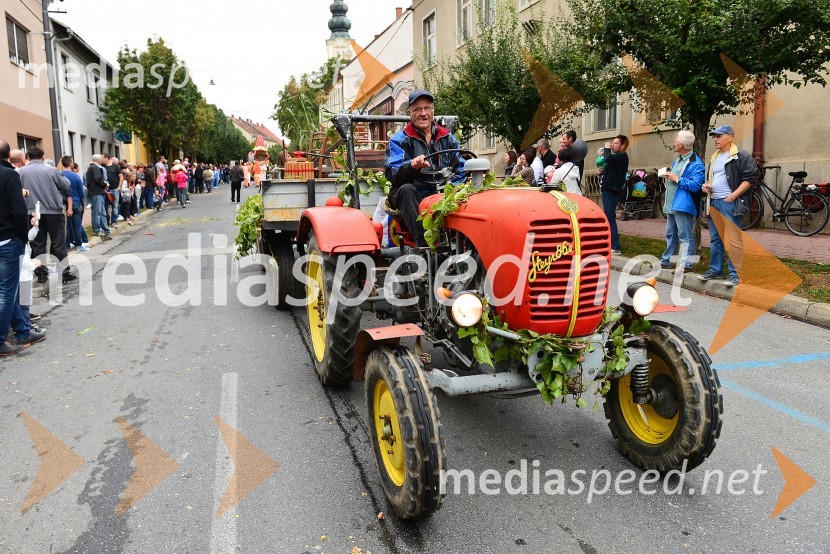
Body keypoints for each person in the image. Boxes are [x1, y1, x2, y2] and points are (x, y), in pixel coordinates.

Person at [384, 89, 466, 247]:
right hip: (413, 193)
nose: (423, 113)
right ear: (410, 113)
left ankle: (463, 243)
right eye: (417, 109)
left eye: (427, 108)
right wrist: (411, 166)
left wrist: (456, 187)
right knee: (407, 189)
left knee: (467, 189)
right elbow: (392, 172)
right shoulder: (399, 140)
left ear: (433, 110)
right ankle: (425, 247)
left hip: (441, 191)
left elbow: (460, 167)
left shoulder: (447, 138)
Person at [697, 125, 756, 287]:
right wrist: (707, 186)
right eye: (714, 136)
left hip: (729, 202)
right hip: (714, 201)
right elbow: (714, 178)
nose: (715, 139)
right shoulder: (715, 156)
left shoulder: (741, 156)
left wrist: (733, 196)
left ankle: (735, 274)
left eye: (719, 136)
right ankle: (715, 270)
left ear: (730, 137)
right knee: (716, 239)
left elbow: (750, 179)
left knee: (733, 239)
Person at [1, 139, 38, 355]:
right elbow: (17, 209)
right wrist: (24, 236)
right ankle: (1, 339)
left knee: (9, 289)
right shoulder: (9, 174)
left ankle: (23, 331)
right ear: (8, 155)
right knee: (7, 292)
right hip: (8, 238)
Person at [18, 146, 76, 283]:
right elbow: (66, 186)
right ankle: (63, 272)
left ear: (28, 157)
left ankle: (41, 273)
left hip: (32, 211)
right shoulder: (51, 170)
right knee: (58, 242)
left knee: (37, 243)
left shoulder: (21, 172)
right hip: (53, 211)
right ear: (42, 157)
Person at [659, 130, 705, 273]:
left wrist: (677, 178)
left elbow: (696, 185)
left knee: (685, 236)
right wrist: (670, 175)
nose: (674, 143)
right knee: (671, 233)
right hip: (672, 203)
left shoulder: (696, 163)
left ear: (682, 145)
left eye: (676, 141)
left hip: (683, 204)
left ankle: (687, 264)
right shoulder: (678, 160)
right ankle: (667, 260)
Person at [600, 135, 629, 255]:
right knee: (608, 216)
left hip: (611, 191)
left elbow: (607, 158)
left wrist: (607, 148)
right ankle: (609, 243)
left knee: (610, 217)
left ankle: (615, 246)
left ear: (622, 146)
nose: (612, 144)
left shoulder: (621, 155)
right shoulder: (616, 157)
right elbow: (611, 168)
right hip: (607, 189)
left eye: (616, 143)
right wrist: (601, 173)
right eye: (612, 142)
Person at [61, 156, 88, 252]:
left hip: (63, 202)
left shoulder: (60, 175)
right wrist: (82, 202)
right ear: (70, 163)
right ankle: (78, 244)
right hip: (75, 201)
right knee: (77, 225)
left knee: (66, 225)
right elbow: (81, 192)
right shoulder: (75, 176)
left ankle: (67, 244)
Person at [86, 155, 112, 240]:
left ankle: (105, 230)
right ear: (99, 160)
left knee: (101, 212)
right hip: (96, 192)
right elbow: (98, 179)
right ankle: (96, 230)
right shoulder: (95, 168)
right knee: (98, 212)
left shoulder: (91, 168)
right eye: (101, 159)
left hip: (97, 192)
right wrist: (105, 184)